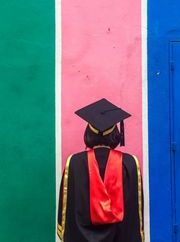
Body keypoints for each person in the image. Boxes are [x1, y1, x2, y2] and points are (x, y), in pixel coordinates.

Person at [57, 98, 144, 242]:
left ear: (88, 133)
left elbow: (66, 212)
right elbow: (135, 214)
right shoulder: (129, 163)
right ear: (115, 133)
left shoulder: (74, 163)